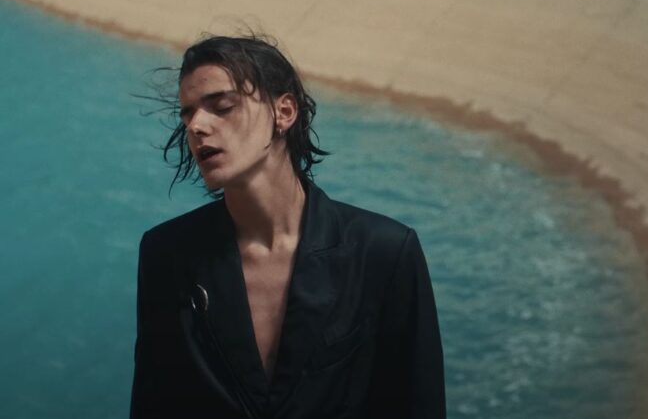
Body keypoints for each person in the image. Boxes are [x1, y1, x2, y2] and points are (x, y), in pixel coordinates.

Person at [130, 34, 446, 418]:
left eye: (222, 106)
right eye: (188, 114)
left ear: (284, 112)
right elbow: (153, 404)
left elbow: (417, 405)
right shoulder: (166, 254)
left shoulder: (384, 252)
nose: (196, 125)